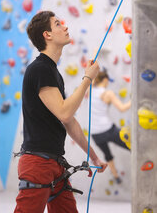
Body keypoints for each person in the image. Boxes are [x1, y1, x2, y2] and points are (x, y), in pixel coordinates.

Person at [14, 11, 107, 213]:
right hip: (38, 164)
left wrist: (93, 157)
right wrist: (87, 79)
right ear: (47, 34)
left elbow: (69, 122)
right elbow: (65, 113)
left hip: (54, 164)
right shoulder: (39, 69)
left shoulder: (52, 72)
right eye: (58, 24)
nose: (65, 27)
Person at [91, 70, 131, 184]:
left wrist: (94, 52)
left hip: (95, 134)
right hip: (108, 129)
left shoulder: (90, 90)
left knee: (107, 155)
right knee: (132, 145)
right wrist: (134, 100)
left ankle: (116, 177)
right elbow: (122, 108)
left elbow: (90, 76)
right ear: (105, 80)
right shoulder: (107, 93)